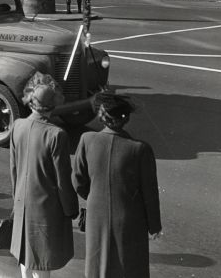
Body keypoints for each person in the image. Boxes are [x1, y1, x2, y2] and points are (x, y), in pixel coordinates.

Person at [73, 93, 162, 278]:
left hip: (96, 215)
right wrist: (154, 226)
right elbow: (150, 193)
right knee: (129, 267)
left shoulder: (87, 140)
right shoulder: (139, 149)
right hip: (130, 220)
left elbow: (78, 181)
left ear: (102, 118)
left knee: (99, 265)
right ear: (126, 119)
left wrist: (96, 195)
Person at [10, 74, 78, 278]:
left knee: (26, 256)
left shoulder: (18, 126)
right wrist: (71, 209)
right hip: (46, 209)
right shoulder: (56, 134)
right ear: (52, 105)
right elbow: (62, 180)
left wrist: (16, 200)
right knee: (42, 263)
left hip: (22, 203)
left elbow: (14, 170)